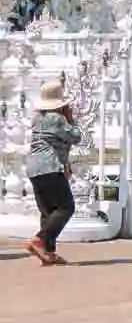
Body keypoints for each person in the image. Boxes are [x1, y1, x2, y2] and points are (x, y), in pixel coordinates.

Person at [24, 77, 81, 266]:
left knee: (48, 211)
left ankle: (48, 253)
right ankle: (40, 239)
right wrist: (72, 120)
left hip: (34, 168)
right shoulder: (56, 119)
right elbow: (75, 137)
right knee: (66, 206)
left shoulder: (38, 119)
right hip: (49, 167)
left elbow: (56, 143)